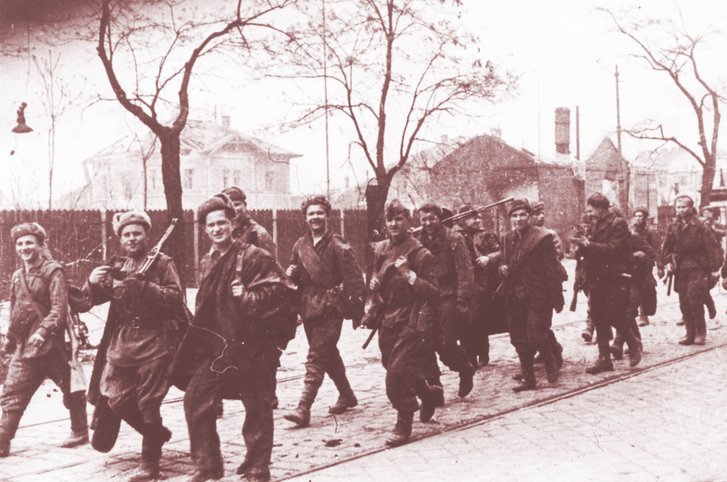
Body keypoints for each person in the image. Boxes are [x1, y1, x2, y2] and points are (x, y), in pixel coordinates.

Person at [172, 196, 295, 482]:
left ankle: (257, 467)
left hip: (250, 345)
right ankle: (207, 465)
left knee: (257, 406)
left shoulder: (254, 256)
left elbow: (283, 291)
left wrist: (249, 296)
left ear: (232, 224)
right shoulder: (206, 261)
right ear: (204, 230)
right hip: (216, 348)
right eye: (211, 225)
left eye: (222, 223)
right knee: (195, 400)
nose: (217, 229)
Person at [85, 211, 185, 481]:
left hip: (155, 341)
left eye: (137, 233)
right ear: (120, 239)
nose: (132, 238)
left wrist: (145, 286)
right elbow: (96, 298)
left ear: (146, 236)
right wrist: (93, 283)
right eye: (126, 234)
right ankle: (157, 434)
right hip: (123, 342)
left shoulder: (162, 263)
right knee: (115, 397)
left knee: (148, 403)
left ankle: (149, 464)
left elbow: (176, 298)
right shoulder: (118, 264)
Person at [0, 223, 88, 457]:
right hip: (25, 347)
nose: (24, 247)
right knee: (12, 393)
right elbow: (15, 310)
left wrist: (43, 331)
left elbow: (59, 308)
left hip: (52, 346)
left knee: (71, 389)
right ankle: (3, 441)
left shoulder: (53, 271)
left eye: (29, 243)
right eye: (20, 244)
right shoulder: (18, 276)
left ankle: (80, 430)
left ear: (40, 245)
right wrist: (10, 340)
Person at [283, 195, 366, 428]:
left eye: (320, 213)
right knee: (328, 355)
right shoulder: (300, 245)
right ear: (305, 218)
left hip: (331, 309)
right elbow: (295, 277)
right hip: (309, 308)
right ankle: (347, 395)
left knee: (317, 356)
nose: (315, 217)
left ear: (327, 216)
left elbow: (355, 280)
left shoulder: (339, 245)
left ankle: (303, 407)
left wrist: (354, 310)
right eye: (311, 214)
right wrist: (291, 274)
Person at [363, 199, 440, 445]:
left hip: (412, 319)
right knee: (392, 364)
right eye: (390, 220)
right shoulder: (381, 249)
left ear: (408, 222)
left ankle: (403, 424)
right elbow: (377, 276)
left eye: (399, 219)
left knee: (396, 374)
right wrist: (374, 285)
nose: (394, 224)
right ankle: (428, 394)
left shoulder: (420, 253)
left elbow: (434, 292)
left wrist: (409, 275)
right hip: (388, 318)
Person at [218, 186, 280, 413]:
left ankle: (269, 394)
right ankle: (219, 397)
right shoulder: (223, 231)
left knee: (264, 349)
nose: (234, 209)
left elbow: (273, 271)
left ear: (245, 206)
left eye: (237, 204)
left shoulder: (258, 234)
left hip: (257, 300)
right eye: (229, 206)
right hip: (231, 302)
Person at [570, 194, 642, 374]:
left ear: (601, 208)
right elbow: (590, 249)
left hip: (615, 276)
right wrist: (580, 247)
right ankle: (604, 359)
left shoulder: (618, 223)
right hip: (596, 277)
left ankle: (633, 343)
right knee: (598, 316)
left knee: (615, 315)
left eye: (592, 209)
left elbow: (613, 249)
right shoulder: (594, 223)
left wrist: (588, 243)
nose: (590, 213)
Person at [497, 200, 564, 391]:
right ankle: (529, 379)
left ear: (529, 216)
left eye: (522, 215)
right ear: (510, 218)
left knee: (535, 335)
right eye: (515, 216)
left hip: (537, 294)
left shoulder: (541, 238)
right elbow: (503, 261)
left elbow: (552, 270)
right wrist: (501, 268)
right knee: (518, 338)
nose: (518, 219)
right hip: (515, 295)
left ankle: (550, 360)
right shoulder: (506, 238)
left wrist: (557, 298)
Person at [416, 203, 475, 403]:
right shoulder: (418, 241)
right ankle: (435, 388)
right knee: (424, 342)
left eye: (431, 218)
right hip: (427, 298)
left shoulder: (453, 238)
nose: (428, 223)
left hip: (448, 296)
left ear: (439, 218)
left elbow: (465, 271)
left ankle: (465, 369)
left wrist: (462, 300)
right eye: (423, 219)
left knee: (447, 344)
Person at [659, 196, 721, 346]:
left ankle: (700, 332)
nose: (680, 210)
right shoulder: (673, 225)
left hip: (697, 267)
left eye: (684, 207)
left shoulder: (700, 226)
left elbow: (712, 248)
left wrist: (714, 269)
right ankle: (689, 332)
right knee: (684, 301)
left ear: (691, 207)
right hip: (680, 268)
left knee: (694, 299)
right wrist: (666, 262)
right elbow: (666, 247)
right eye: (678, 207)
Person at [453, 204, 501, 368]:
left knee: (477, 319)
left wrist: (488, 258)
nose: (478, 220)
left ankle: (482, 352)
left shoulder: (486, 235)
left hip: (481, 282)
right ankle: (469, 357)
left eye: (478, 217)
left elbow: (500, 252)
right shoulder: (454, 236)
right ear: (462, 220)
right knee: (463, 321)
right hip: (460, 283)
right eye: (473, 217)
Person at [529, 202, 565, 369]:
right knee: (531, 324)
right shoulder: (518, 235)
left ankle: (553, 352)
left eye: (542, 213)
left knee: (541, 323)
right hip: (527, 286)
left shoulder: (549, 234)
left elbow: (559, 254)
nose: (541, 216)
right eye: (537, 213)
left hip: (545, 284)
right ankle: (549, 350)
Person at [631, 208, 659, 326]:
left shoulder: (650, 231)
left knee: (644, 288)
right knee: (633, 288)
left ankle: (644, 314)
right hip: (633, 263)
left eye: (640, 216)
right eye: (636, 216)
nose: (638, 218)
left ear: (645, 218)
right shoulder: (630, 230)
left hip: (646, 264)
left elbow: (655, 249)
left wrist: (647, 257)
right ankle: (634, 313)